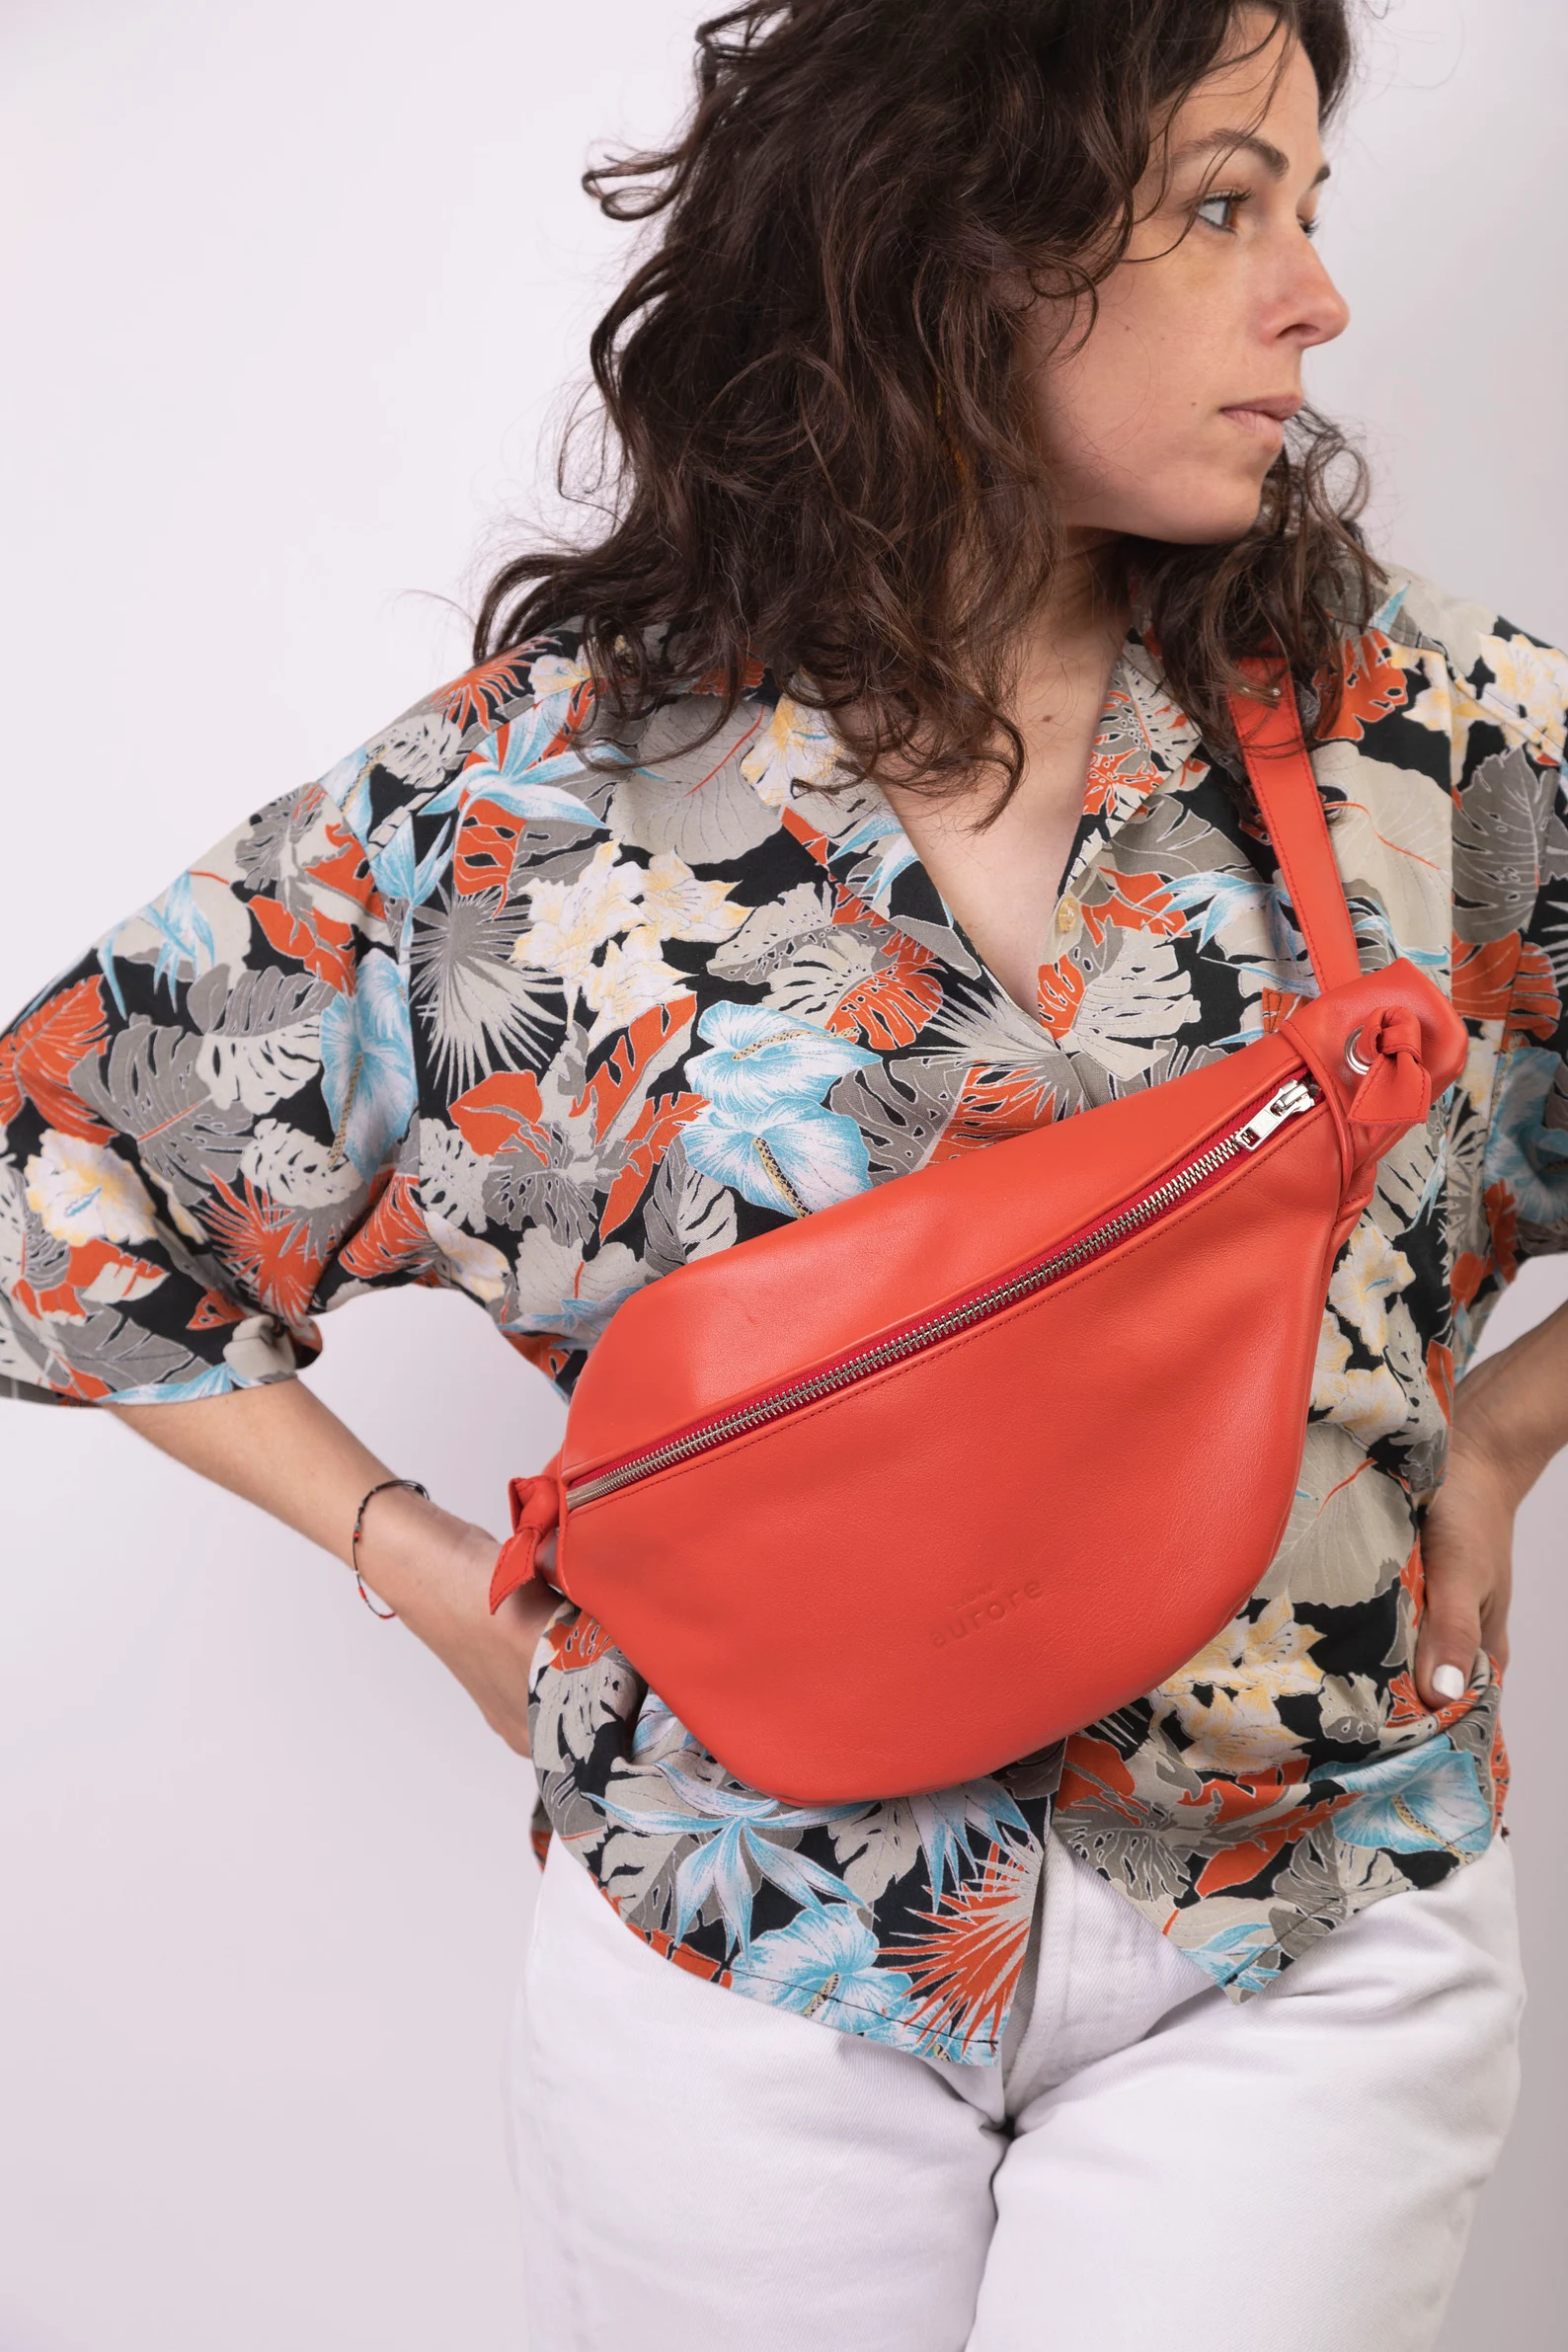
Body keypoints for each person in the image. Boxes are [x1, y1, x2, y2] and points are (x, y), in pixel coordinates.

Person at [1, 1, 1562, 2344]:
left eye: (1307, 210)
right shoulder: (529, 798)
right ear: (956, 245)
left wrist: (1504, 1435)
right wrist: (413, 1559)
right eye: (1222, 205)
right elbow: (60, 1159)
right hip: (741, 1939)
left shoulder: (1414, 729)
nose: (1314, 297)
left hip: (1299, 1910)